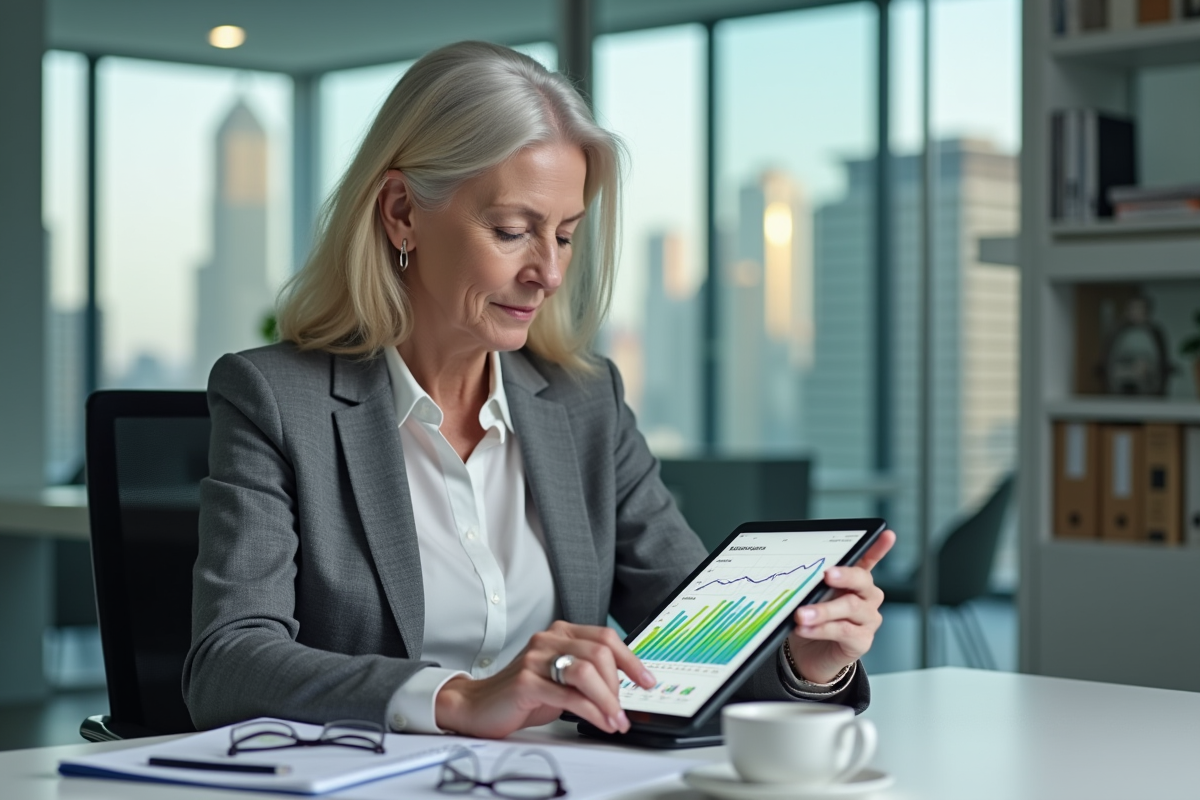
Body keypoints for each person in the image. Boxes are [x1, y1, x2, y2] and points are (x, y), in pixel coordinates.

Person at [182, 40, 895, 740]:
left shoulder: (586, 405)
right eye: (512, 231)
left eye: (564, 235)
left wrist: (805, 659)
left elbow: (693, 636)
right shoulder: (275, 399)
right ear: (401, 211)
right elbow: (226, 664)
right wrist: (457, 699)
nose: (548, 274)